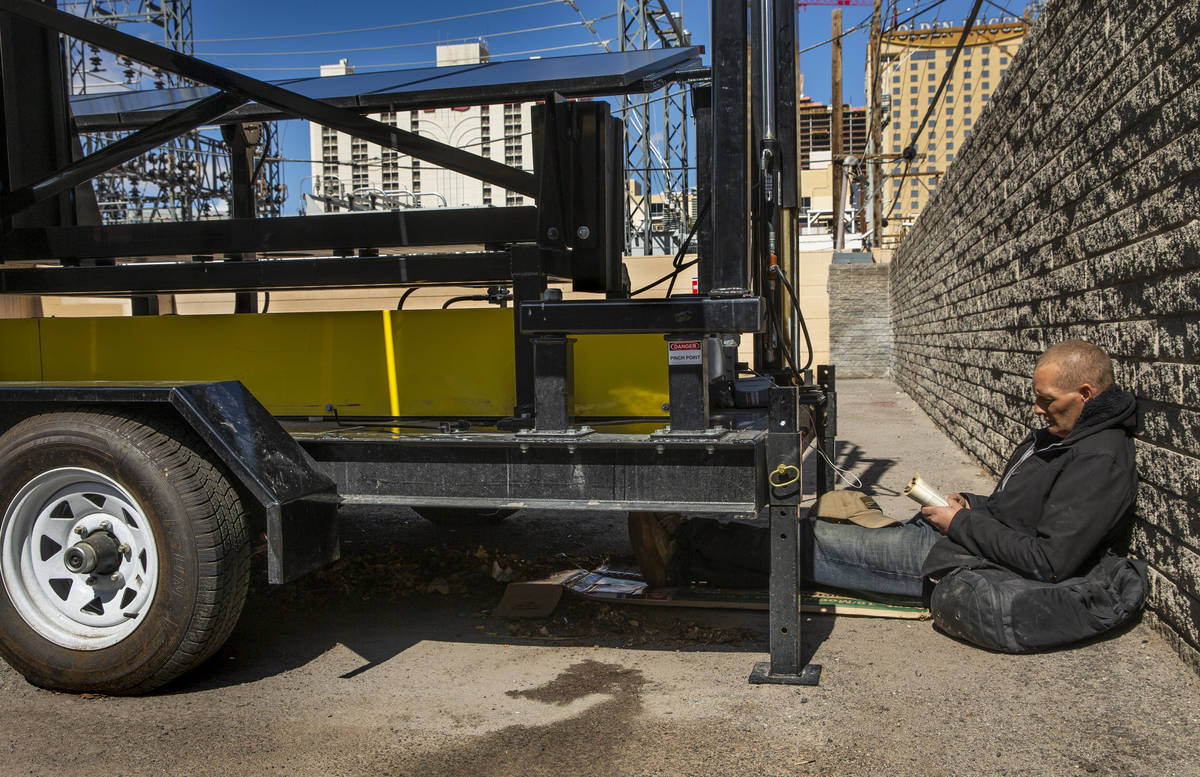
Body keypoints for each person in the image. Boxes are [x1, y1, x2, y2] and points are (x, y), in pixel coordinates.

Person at [630, 340, 1147, 650]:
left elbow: (1050, 561)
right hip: (965, 539)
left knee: (820, 546)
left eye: (1046, 400)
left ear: (1085, 395)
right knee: (828, 539)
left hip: (964, 559)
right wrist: (974, 504)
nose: (1037, 409)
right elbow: (1024, 512)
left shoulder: (1099, 459)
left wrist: (958, 524)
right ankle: (702, 549)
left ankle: (687, 544)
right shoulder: (1067, 436)